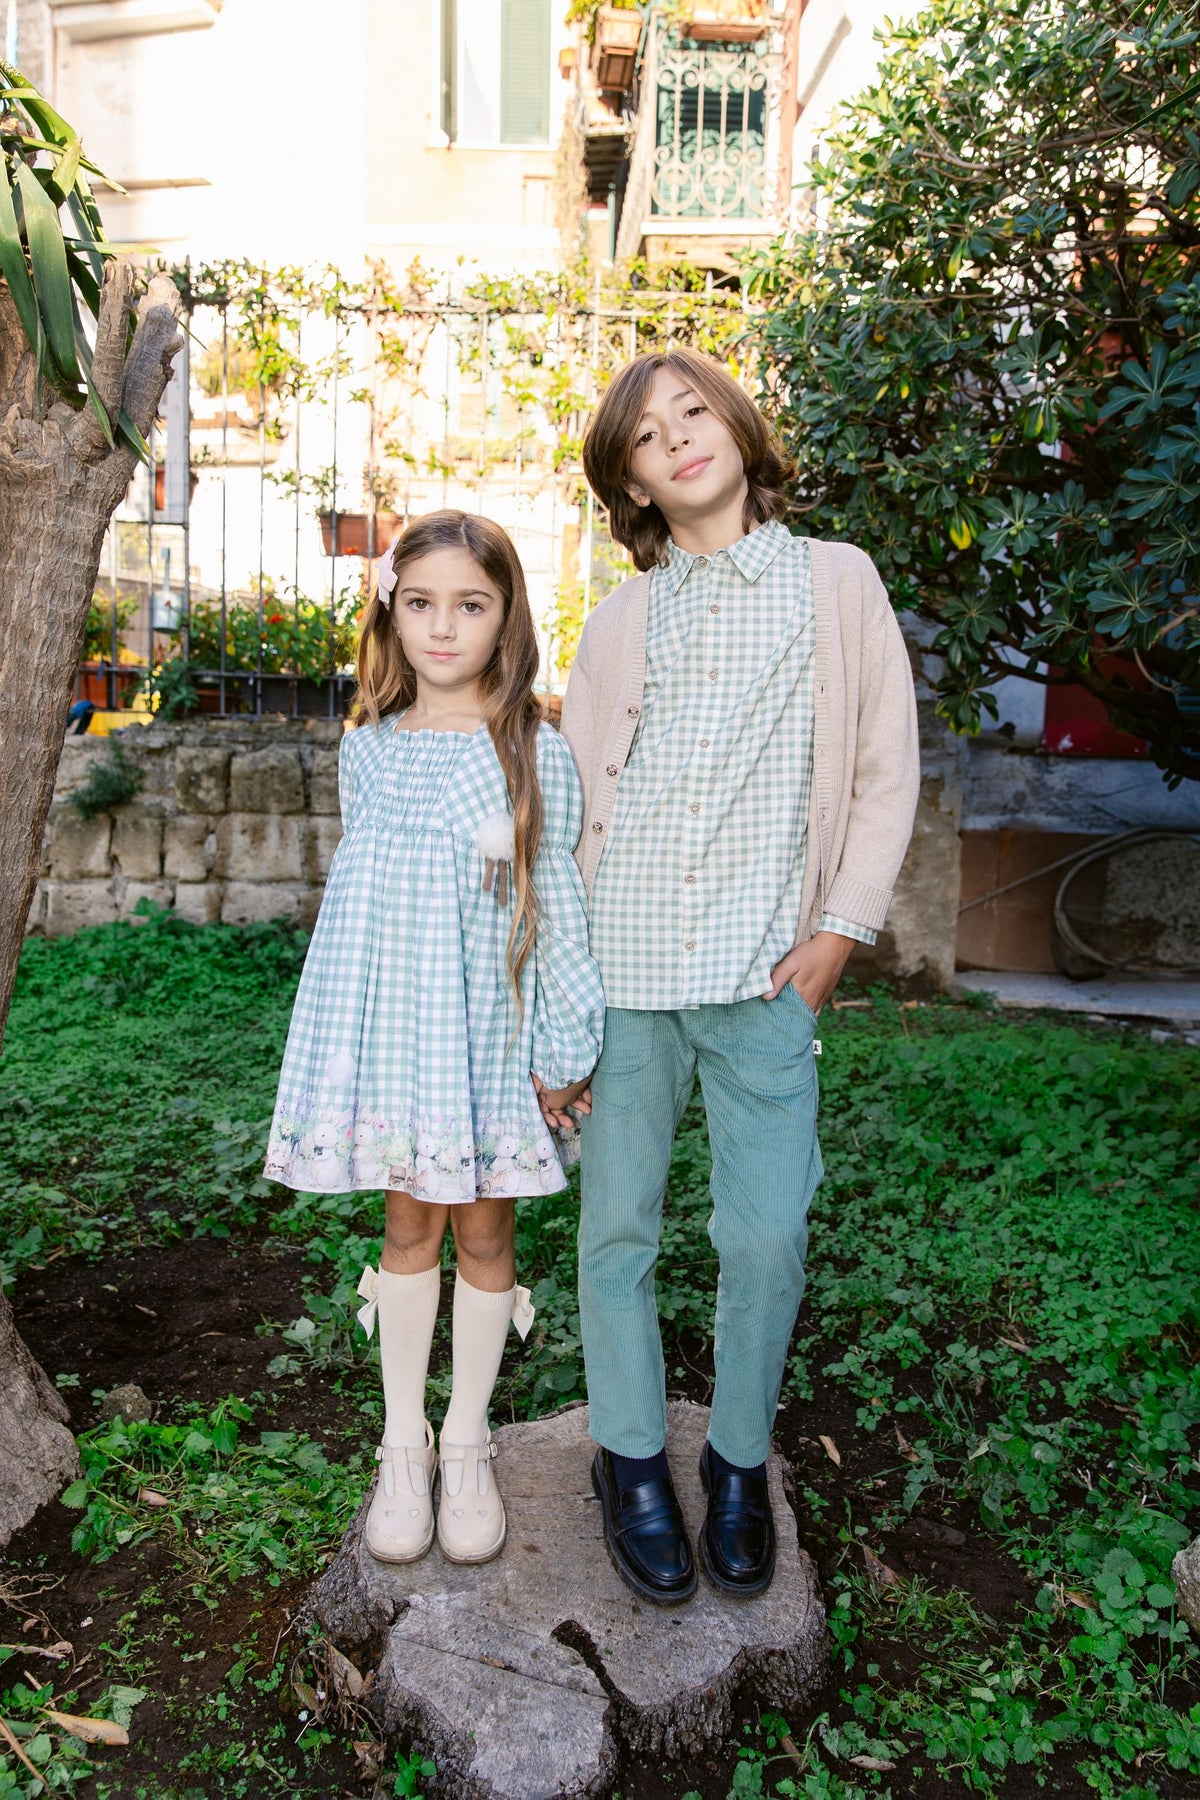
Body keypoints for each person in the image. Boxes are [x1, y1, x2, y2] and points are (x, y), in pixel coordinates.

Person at [562, 348, 919, 1603]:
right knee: (617, 1227)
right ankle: (628, 1456)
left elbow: (884, 766)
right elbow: (576, 805)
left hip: (767, 976)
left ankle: (735, 1460)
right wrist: (562, 993)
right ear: (635, 487)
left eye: (693, 411)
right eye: (647, 437)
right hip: (625, 969)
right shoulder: (622, 621)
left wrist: (842, 929)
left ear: (736, 425)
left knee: (766, 1233)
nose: (677, 438)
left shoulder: (836, 581)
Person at [264, 510, 604, 1568]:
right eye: (420, 603)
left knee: (487, 1236)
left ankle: (467, 1442)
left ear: (507, 618)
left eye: (470, 605)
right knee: (407, 1228)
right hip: (398, 1043)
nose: (443, 628)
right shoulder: (366, 750)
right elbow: (366, 909)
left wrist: (563, 1049)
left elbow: (557, 907)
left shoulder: (533, 752)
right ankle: (402, 1442)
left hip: (488, 1041)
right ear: (391, 613)